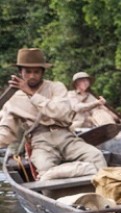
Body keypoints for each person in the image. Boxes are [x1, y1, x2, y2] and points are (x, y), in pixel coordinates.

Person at [0, 48, 106, 178]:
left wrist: (32, 94)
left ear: (43, 72)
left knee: (96, 156)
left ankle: (101, 190)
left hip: (66, 137)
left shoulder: (56, 87)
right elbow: (6, 131)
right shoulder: (13, 99)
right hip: (40, 142)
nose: (32, 76)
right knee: (44, 169)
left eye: (36, 72)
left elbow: (62, 112)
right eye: (27, 72)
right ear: (20, 72)